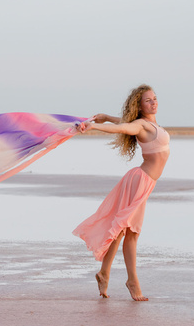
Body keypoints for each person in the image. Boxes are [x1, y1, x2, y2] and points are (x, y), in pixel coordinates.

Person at [73, 84, 170, 301]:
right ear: (139, 105)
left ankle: (104, 272)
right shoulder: (140, 125)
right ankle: (132, 281)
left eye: (154, 98)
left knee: (122, 229)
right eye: (148, 100)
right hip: (140, 181)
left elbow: (121, 123)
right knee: (131, 232)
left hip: (144, 182)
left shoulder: (151, 124)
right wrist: (94, 127)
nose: (153, 102)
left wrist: (107, 117)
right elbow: (123, 129)